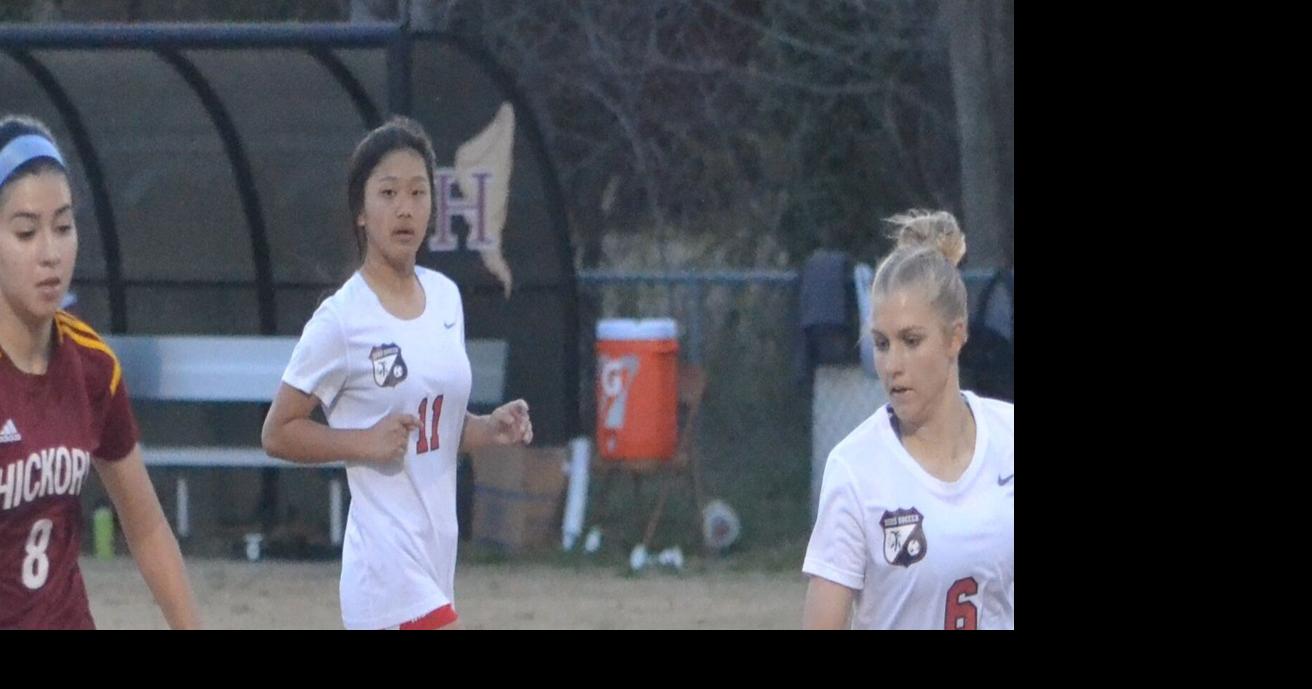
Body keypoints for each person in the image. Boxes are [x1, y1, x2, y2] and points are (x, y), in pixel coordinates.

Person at [261, 116, 532, 630]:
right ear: (361, 211)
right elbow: (277, 433)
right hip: (385, 572)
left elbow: (436, 431)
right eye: (387, 193)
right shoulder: (341, 320)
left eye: (417, 192)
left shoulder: (446, 298)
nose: (405, 208)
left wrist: (488, 428)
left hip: (435, 561)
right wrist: (362, 441)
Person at [0, 114, 201, 629]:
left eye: (63, 227)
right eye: (26, 232)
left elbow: (148, 526)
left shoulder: (92, 367)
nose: (50, 252)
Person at [801, 209, 1014, 630]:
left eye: (912, 341)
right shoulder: (855, 469)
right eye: (881, 344)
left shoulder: (1008, 439)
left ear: (956, 337)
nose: (892, 365)